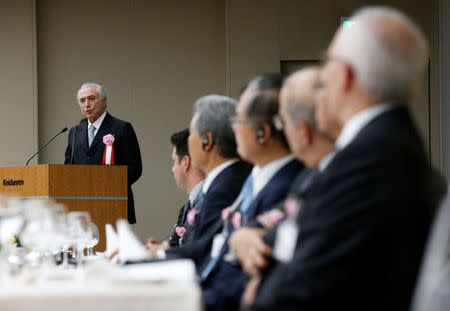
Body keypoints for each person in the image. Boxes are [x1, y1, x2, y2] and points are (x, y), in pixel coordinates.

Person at [244, 7, 447, 311]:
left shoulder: (367, 163)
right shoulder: (389, 148)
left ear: (345, 75)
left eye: (328, 61)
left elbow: (303, 291)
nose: (322, 75)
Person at [229, 67, 337, 306]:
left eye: (284, 121)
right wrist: (244, 235)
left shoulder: (308, 177)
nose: (283, 130)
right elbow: (280, 220)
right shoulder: (307, 176)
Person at [199, 74, 304, 311]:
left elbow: (247, 276)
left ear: (262, 133)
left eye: (239, 120)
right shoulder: (257, 175)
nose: (233, 128)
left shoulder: (286, 186)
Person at [161, 94, 252, 261]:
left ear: (206, 141)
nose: (188, 143)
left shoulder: (226, 186)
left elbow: (203, 251)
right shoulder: (223, 180)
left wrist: (156, 255)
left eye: (191, 135)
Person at [64, 83, 142, 224]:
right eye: (82, 101)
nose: (87, 104)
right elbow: (68, 167)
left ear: (104, 101)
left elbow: (134, 168)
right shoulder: (75, 132)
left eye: (91, 99)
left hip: (113, 202)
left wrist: (107, 185)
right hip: (81, 206)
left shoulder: (121, 128)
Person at [145, 129, 205, 252]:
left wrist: (162, 251)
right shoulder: (189, 204)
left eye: (174, 161)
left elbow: (194, 248)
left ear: (185, 162)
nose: (173, 169)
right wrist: (162, 247)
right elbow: (178, 242)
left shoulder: (207, 200)